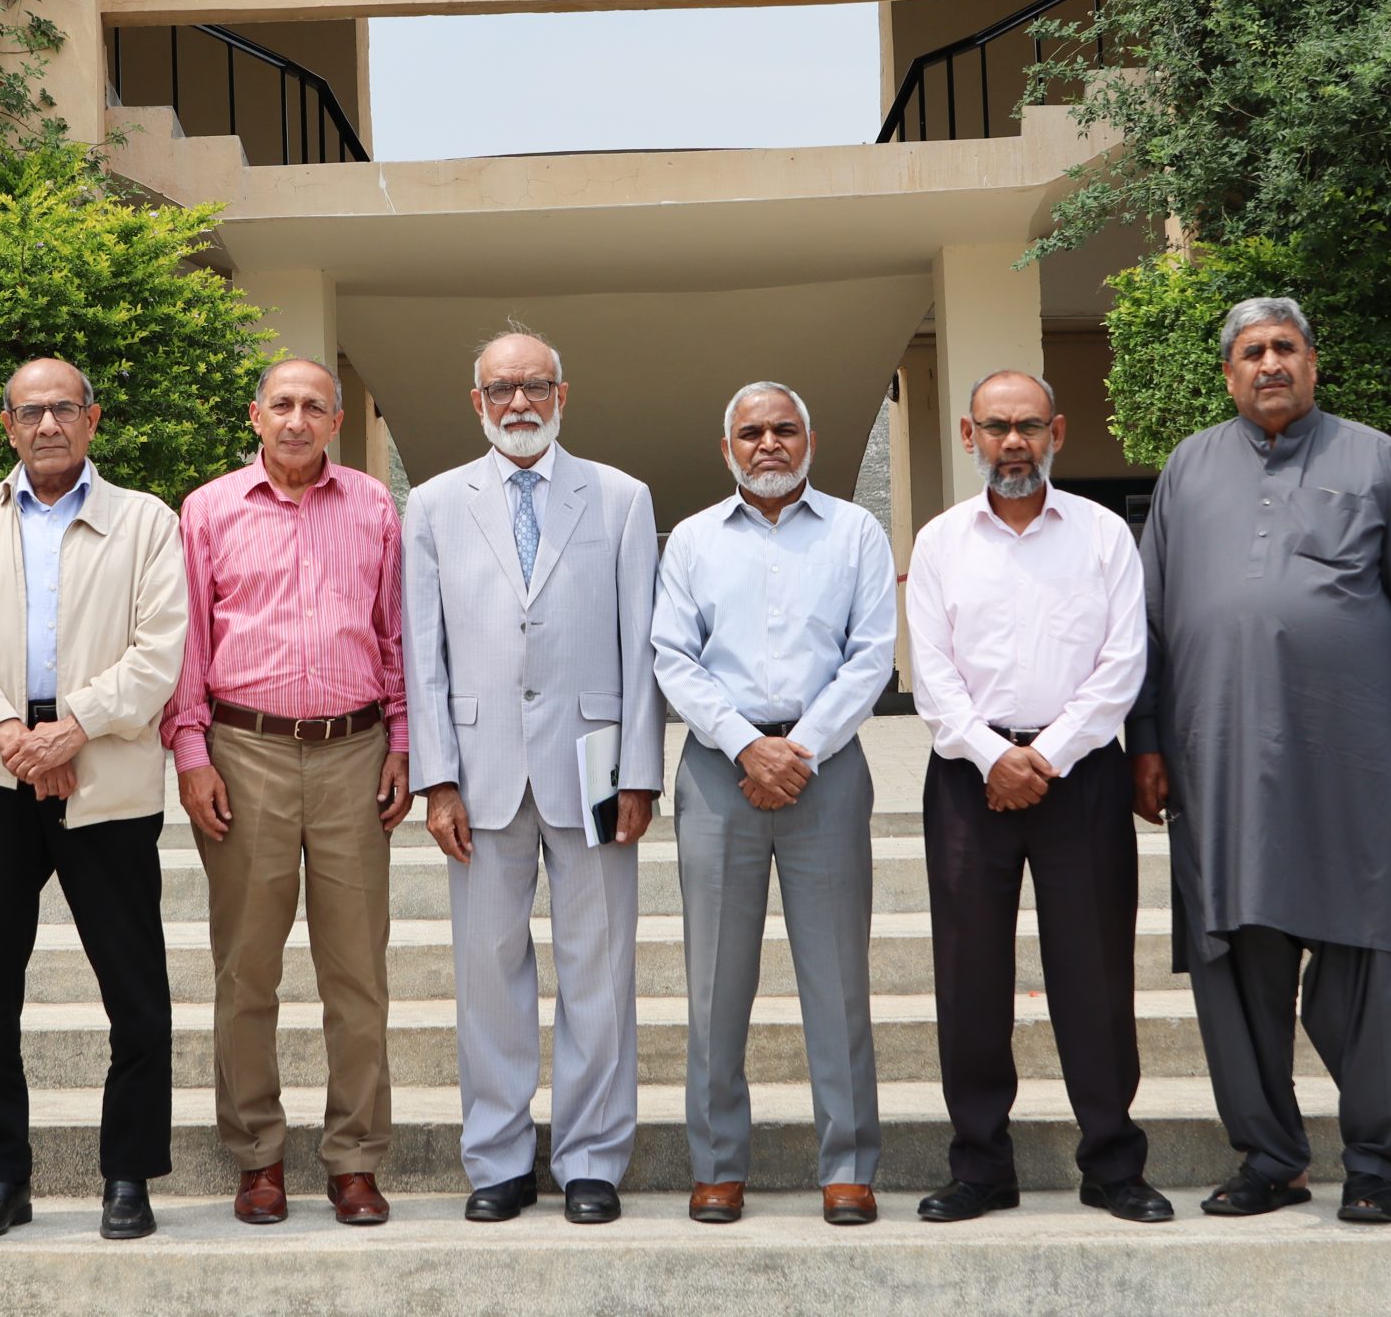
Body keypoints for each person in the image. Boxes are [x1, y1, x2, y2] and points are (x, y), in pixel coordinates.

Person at [1130, 296, 1391, 1226]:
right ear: (1228, 372)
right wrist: (1144, 739)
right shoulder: (1189, 466)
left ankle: (1373, 1163)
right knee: (1237, 963)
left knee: (1364, 955)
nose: (1269, 363)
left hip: (1351, 761)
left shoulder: (1374, 458)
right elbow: (1147, 618)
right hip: (1218, 764)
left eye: (1285, 347)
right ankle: (1270, 1158)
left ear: (1313, 362)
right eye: (1251, 351)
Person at [0, 358, 188, 1242]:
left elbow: (160, 649)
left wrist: (72, 729)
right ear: (6, 425)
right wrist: (15, 737)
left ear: (92, 419)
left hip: (105, 776)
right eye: (30, 411)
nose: (47, 425)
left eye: (64, 408)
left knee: (136, 990)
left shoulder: (146, 521)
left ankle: (128, 1174)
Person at [403, 329, 663, 1225]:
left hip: (594, 767)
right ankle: (499, 1158)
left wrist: (639, 771)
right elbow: (423, 653)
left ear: (563, 394)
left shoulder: (622, 497)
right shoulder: (434, 504)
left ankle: (592, 1159)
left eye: (536, 385)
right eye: (502, 388)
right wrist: (436, 777)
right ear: (476, 402)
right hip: (478, 773)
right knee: (487, 974)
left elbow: (641, 644)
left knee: (600, 969)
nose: (520, 402)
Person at [904, 370, 1171, 1226]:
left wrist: (1044, 756)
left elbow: (1123, 662)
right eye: (996, 426)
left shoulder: (1102, 534)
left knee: (1095, 974)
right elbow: (932, 674)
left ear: (1056, 432)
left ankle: (1113, 1163)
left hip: (1079, 774)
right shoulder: (941, 541)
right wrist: (995, 756)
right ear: (968, 435)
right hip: (969, 777)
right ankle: (981, 1164)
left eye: (1028, 425)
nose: (1012, 441)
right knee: (970, 977)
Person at [161, 356, 411, 1227]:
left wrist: (402, 742)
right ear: (256, 416)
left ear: (337, 421)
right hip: (245, 752)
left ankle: (355, 1159)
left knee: (358, 972)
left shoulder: (374, 507)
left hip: (354, 752)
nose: (297, 418)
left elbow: (394, 634)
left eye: (314, 406)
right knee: (246, 970)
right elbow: (188, 640)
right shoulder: (208, 509)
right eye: (282, 404)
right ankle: (257, 1155)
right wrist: (191, 750)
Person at [651, 381, 896, 1227]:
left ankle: (849, 1166)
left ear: (810, 441)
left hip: (826, 770)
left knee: (838, 980)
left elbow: (872, 654)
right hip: (721, 770)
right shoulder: (692, 540)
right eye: (750, 432)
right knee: (716, 984)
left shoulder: (856, 532)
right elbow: (673, 657)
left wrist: (801, 747)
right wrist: (746, 745)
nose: (768, 443)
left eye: (784, 429)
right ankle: (717, 1166)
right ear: (727, 449)